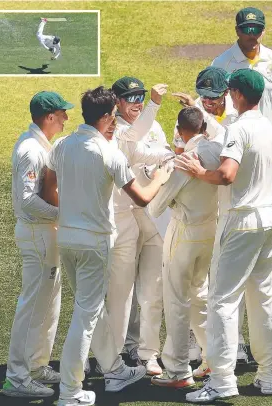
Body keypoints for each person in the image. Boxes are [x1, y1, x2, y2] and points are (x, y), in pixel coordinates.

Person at [45, 86, 172, 406]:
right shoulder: (109, 153)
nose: (116, 123)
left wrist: (70, 212)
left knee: (92, 310)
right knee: (86, 317)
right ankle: (70, 391)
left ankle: (114, 370)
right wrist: (162, 175)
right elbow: (142, 197)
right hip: (95, 242)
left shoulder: (61, 145)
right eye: (113, 117)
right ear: (103, 118)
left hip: (68, 239)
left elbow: (49, 188)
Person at [176, 69, 272, 402]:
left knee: (223, 302)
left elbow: (226, 174)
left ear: (235, 93)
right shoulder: (268, 126)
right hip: (268, 220)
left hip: (240, 222)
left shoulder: (239, 128)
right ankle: (268, 377)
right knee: (263, 300)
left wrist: (198, 171)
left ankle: (222, 382)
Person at [172, 66, 251, 364]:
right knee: (197, 282)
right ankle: (196, 340)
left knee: (227, 280)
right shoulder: (190, 117)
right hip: (201, 207)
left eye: (214, 97)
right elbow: (178, 151)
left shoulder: (238, 118)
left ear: (227, 93)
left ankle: (237, 343)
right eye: (203, 96)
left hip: (228, 204)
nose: (208, 102)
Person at [3, 91, 73, 398]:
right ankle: (16, 377)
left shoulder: (40, 145)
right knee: (32, 306)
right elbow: (27, 201)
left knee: (49, 303)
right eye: (61, 114)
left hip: (47, 233)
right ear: (48, 118)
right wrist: (64, 214)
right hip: (37, 233)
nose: (66, 119)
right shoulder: (31, 150)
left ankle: (37, 364)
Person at [149, 107, 221, 388]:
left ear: (179, 131)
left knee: (177, 300)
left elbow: (155, 207)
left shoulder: (183, 162)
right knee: (200, 295)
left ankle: (178, 370)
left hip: (184, 234)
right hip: (210, 232)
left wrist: (160, 177)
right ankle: (213, 358)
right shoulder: (218, 148)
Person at [109, 77, 173, 375]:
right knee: (120, 290)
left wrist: (170, 157)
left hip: (155, 219)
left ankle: (146, 352)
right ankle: (115, 352)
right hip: (124, 218)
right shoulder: (114, 130)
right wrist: (154, 105)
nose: (136, 102)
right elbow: (134, 142)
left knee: (151, 290)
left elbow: (159, 151)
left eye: (140, 96)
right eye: (130, 97)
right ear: (117, 101)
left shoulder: (153, 125)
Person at [211, 7, 272, 125]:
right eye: (247, 30)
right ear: (237, 31)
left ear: (263, 31)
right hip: (233, 138)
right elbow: (211, 103)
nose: (252, 35)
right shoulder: (220, 64)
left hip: (265, 137)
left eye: (256, 29)